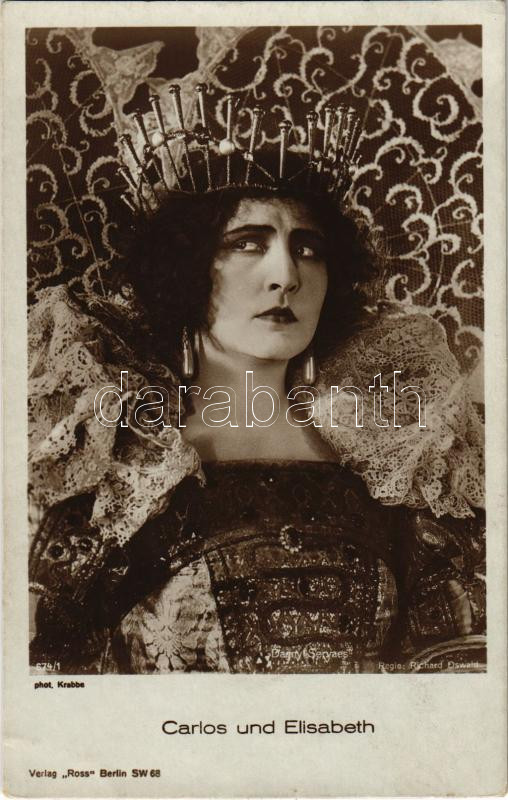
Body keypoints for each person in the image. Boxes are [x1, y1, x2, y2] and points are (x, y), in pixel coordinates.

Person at [28, 96, 485, 674]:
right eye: (247, 242)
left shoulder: (400, 461)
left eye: (308, 249)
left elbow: (456, 669)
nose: (286, 275)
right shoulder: (112, 465)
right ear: (186, 268)